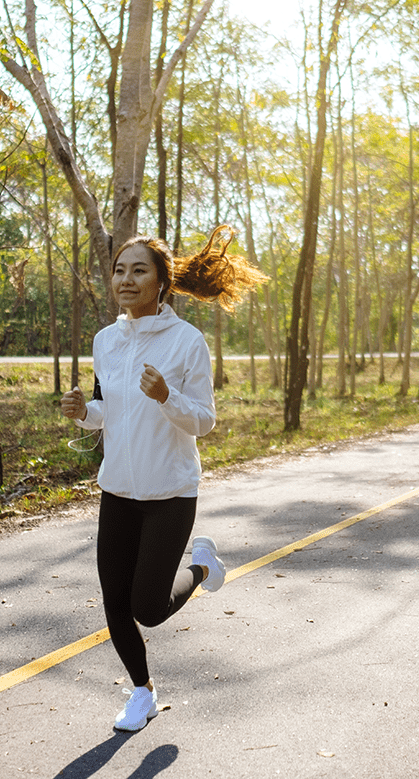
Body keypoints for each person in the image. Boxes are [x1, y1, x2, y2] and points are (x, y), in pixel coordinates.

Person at [59, 225, 266, 732]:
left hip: (171, 491)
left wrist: (166, 397)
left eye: (138, 271)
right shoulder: (106, 341)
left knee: (148, 608)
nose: (125, 280)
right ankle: (142, 692)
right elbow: (107, 409)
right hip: (118, 490)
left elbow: (205, 420)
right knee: (115, 602)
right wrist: (83, 412)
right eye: (119, 271)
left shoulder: (187, 342)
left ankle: (201, 567)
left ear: (161, 282)